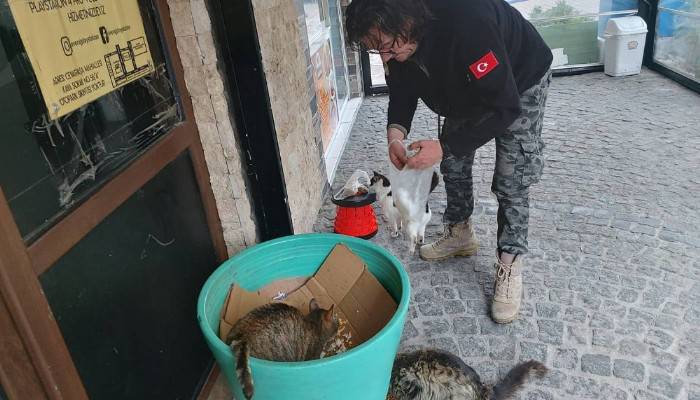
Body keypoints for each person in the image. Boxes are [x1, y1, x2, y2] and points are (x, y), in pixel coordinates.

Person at [346, 0, 553, 324]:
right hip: (464, 87)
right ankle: (460, 234)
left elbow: (505, 106)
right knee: (453, 164)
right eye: (376, 51)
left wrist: (443, 145)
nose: (385, 57)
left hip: (518, 81)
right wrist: (395, 135)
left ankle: (510, 261)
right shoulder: (397, 36)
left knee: (512, 176)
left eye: (386, 47)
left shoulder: (467, 23)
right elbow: (401, 89)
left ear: (406, 21)